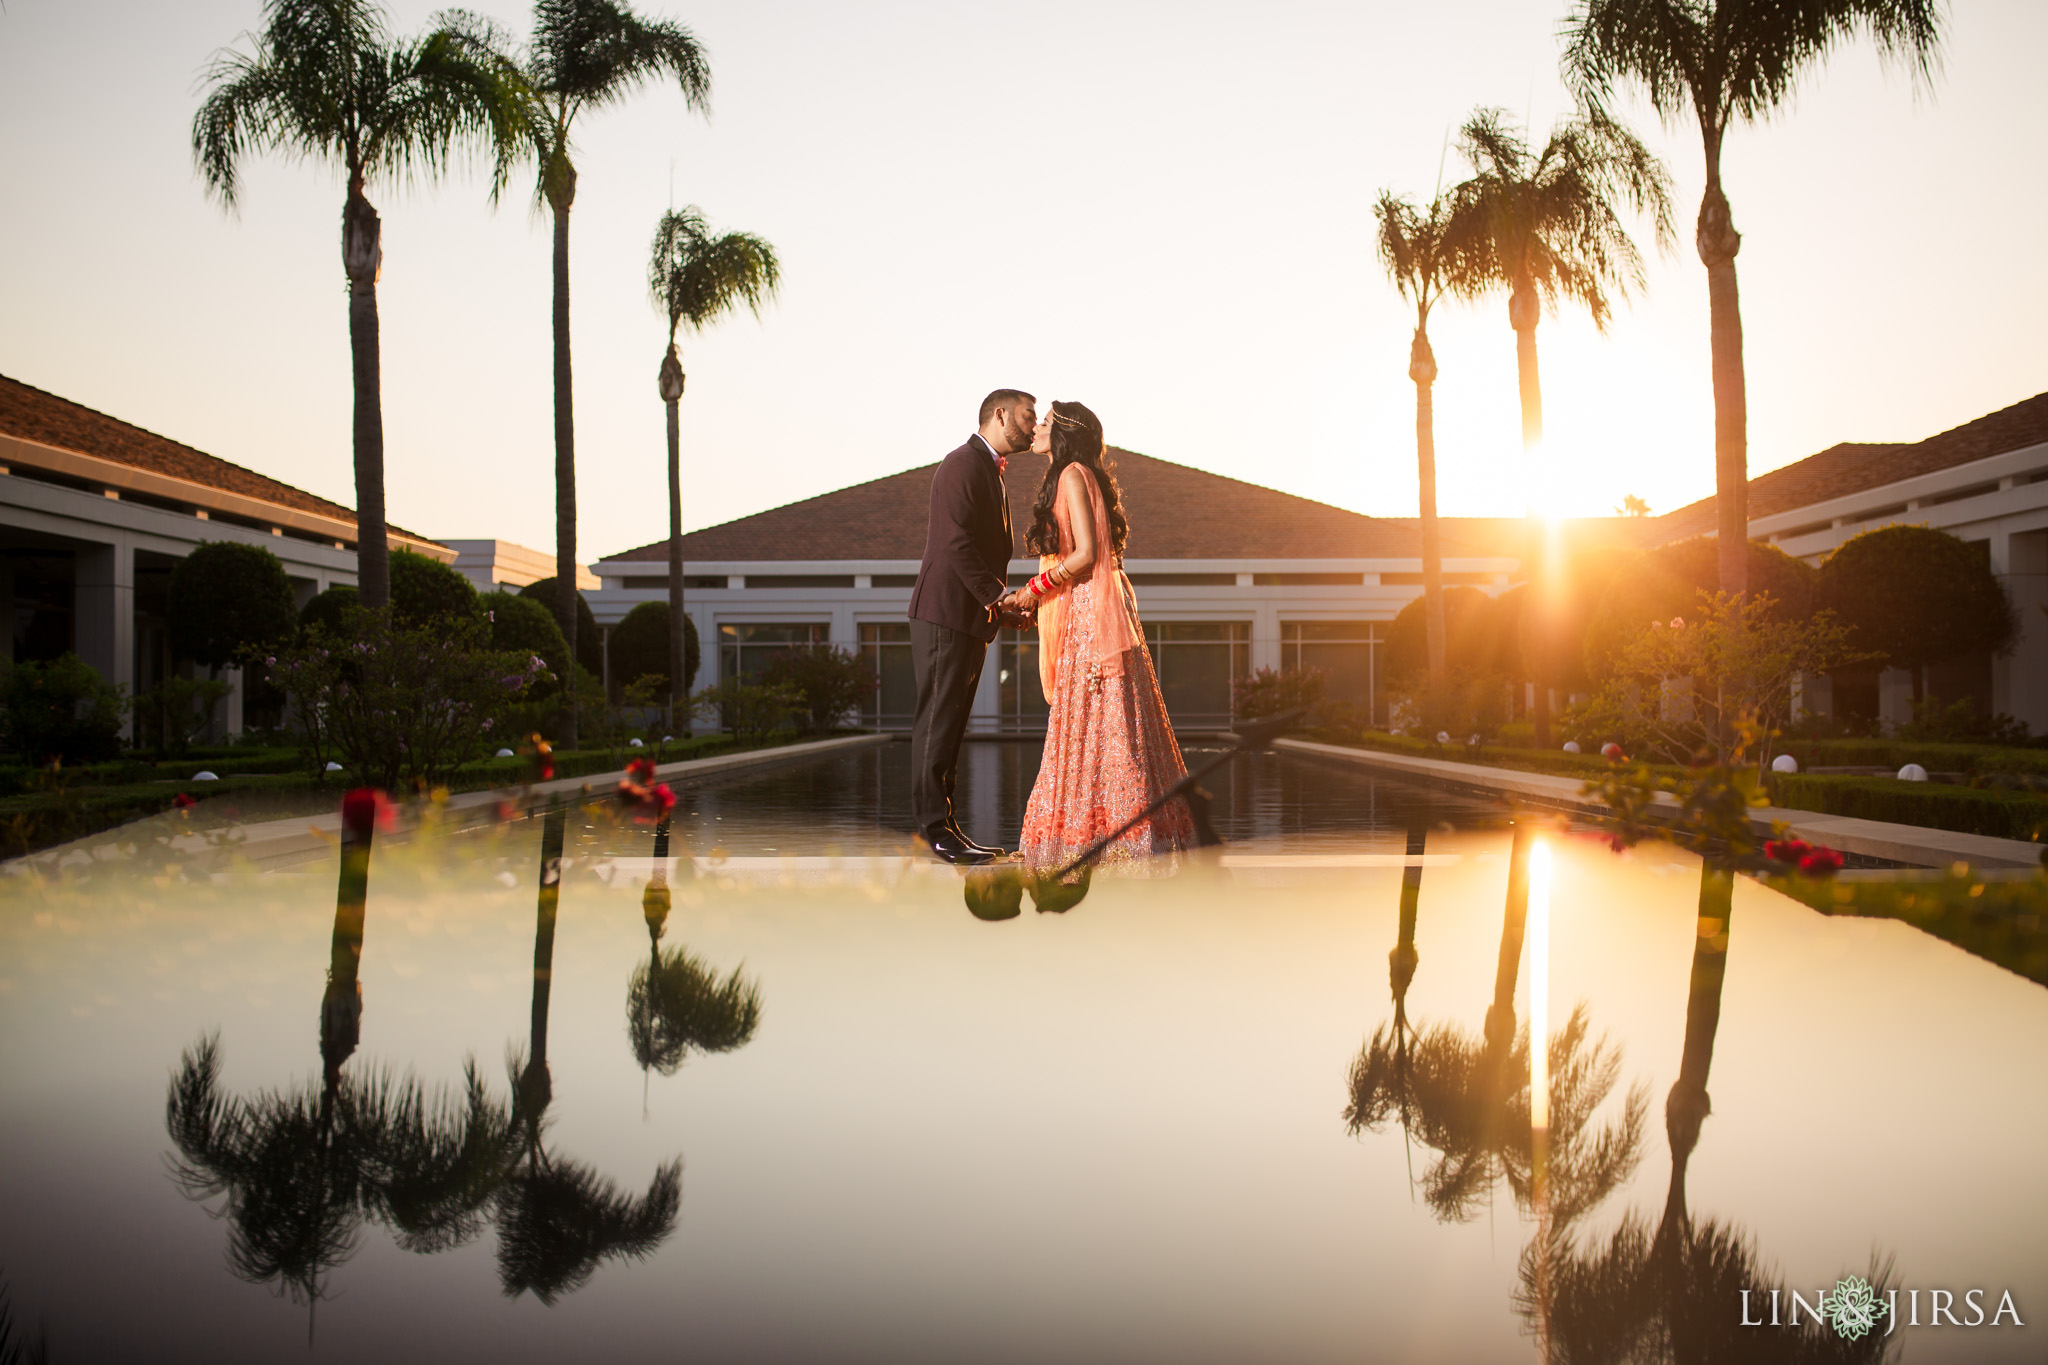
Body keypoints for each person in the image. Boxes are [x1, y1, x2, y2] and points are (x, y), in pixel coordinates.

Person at [1002, 401, 1194, 871]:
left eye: (1045, 422)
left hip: (1090, 616)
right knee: (1109, 723)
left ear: (1065, 433)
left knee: (1098, 723)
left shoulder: (1070, 474)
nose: (1037, 428)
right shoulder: (1079, 474)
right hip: (1093, 611)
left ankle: (1101, 842)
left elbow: (1086, 553)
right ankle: (1129, 837)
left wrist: (1034, 589)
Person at [907, 388, 1037, 864]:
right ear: (999, 415)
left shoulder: (992, 473)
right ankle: (932, 832)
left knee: (952, 726)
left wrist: (999, 608)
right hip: (944, 615)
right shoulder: (961, 464)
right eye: (1027, 416)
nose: (1032, 425)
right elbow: (955, 543)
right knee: (937, 724)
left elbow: (979, 552)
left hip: (967, 617)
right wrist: (998, 597)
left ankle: (948, 827)